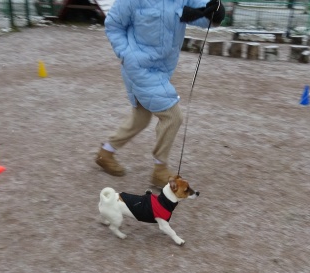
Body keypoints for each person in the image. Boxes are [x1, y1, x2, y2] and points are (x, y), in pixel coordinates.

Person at [95, 0, 225, 187]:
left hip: (162, 69)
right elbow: (113, 24)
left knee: (141, 117)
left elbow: (203, 15)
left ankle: (106, 152)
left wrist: (215, 12)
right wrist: (126, 54)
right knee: (173, 116)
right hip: (138, 68)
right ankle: (160, 170)